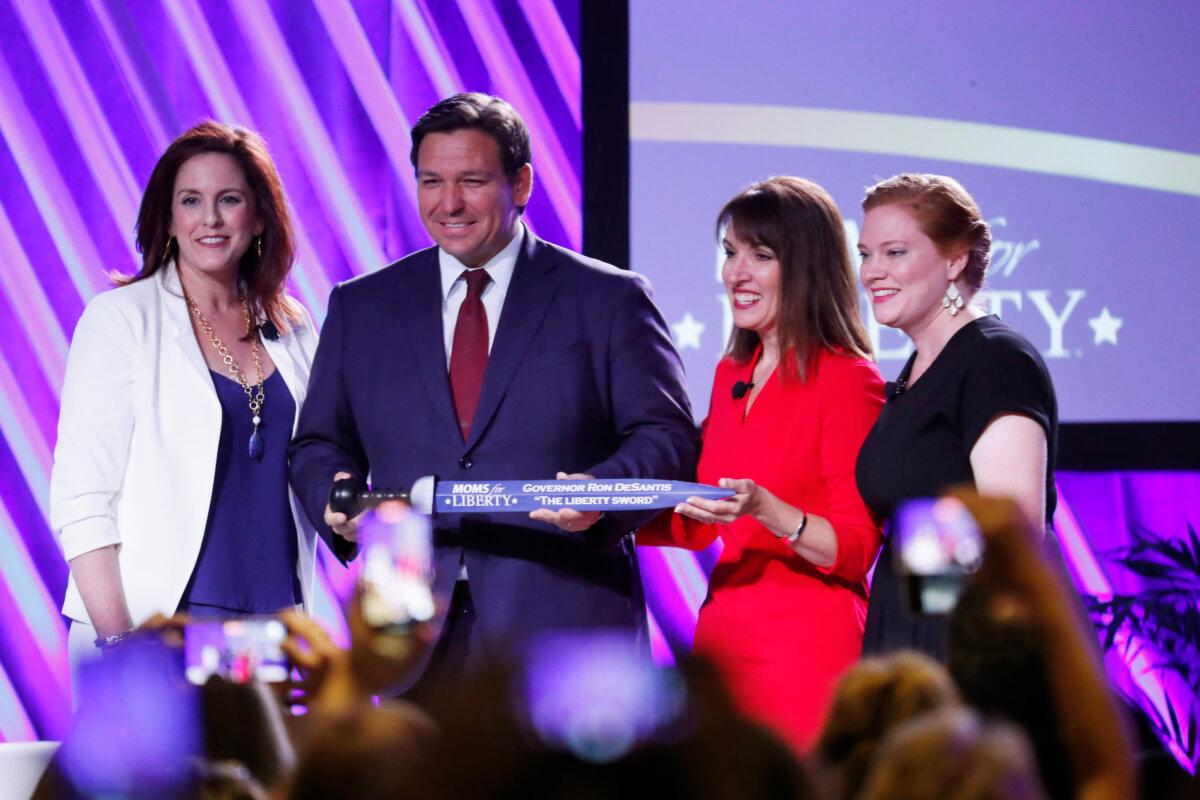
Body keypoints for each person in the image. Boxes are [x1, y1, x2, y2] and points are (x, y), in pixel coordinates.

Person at [288, 93, 699, 706]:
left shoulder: (608, 299)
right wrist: (339, 501)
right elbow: (319, 443)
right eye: (432, 181)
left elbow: (665, 438)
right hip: (411, 631)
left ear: (522, 183)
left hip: (564, 630)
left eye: (472, 181)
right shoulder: (362, 306)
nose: (448, 203)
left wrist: (598, 494)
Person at [49, 121, 321, 678]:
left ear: (261, 215)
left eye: (229, 200)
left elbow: (320, 459)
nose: (211, 219)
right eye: (191, 201)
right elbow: (82, 501)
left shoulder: (293, 327)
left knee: (268, 770)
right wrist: (119, 645)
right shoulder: (120, 321)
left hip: (270, 633)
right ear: (168, 219)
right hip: (153, 634)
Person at [637, 177, 885, 752]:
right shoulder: (732, 374)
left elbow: (853, 550)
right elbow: (701, 522)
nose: (735, 273)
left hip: (809, 652)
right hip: (725, 641)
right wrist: (601, 514)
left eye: (760, 256)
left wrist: (770, 510)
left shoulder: (849, 381)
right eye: (730, 253)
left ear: (806, 267)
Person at [854, 173, 1059, 659]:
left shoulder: (995, 360)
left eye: (895, 252)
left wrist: (941, 647)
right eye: (865, 254)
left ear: (955, 259)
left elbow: (1014, 539)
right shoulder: (920, 366)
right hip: (913, 632)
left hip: (965, 649)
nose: (871, 272)